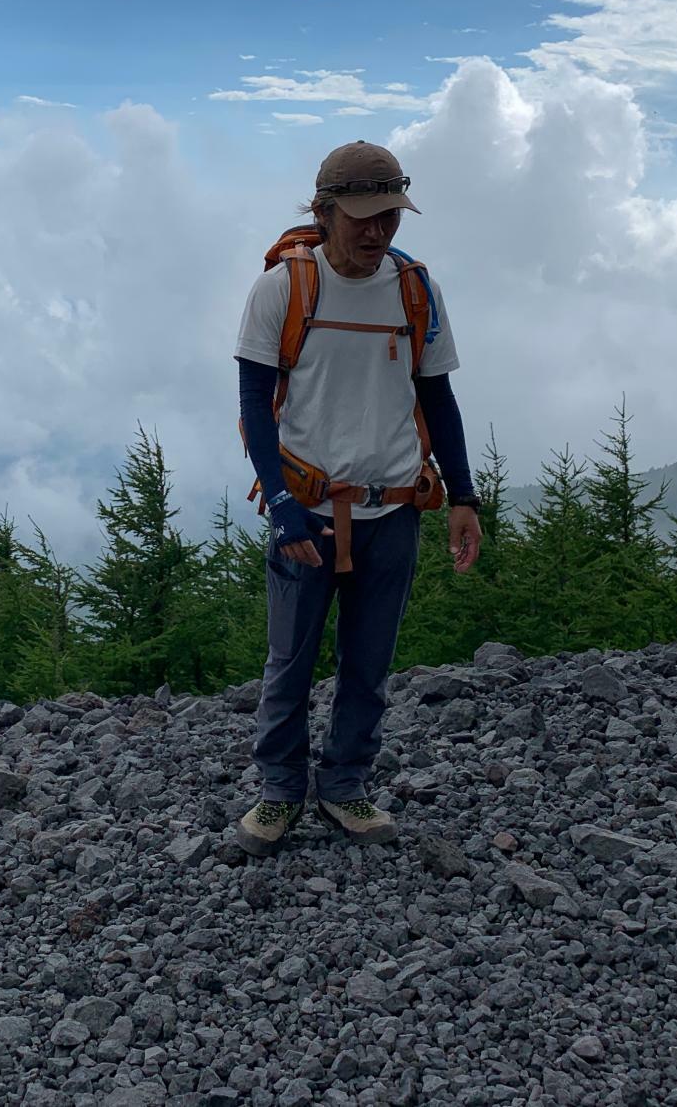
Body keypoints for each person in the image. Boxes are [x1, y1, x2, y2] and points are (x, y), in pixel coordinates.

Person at [231, 140, 480, 855]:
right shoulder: (285, 287)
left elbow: (439, 396)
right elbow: (253, 404)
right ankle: (279, 792)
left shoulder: (414, 288)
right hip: (308, 506)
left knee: (370, 662)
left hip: (395, 506)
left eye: (390, 216)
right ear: (325, 210)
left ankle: (345, 785)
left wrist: (463, 496)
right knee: (291, 660)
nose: (376, 232)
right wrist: (280, 507)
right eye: (361, 217)